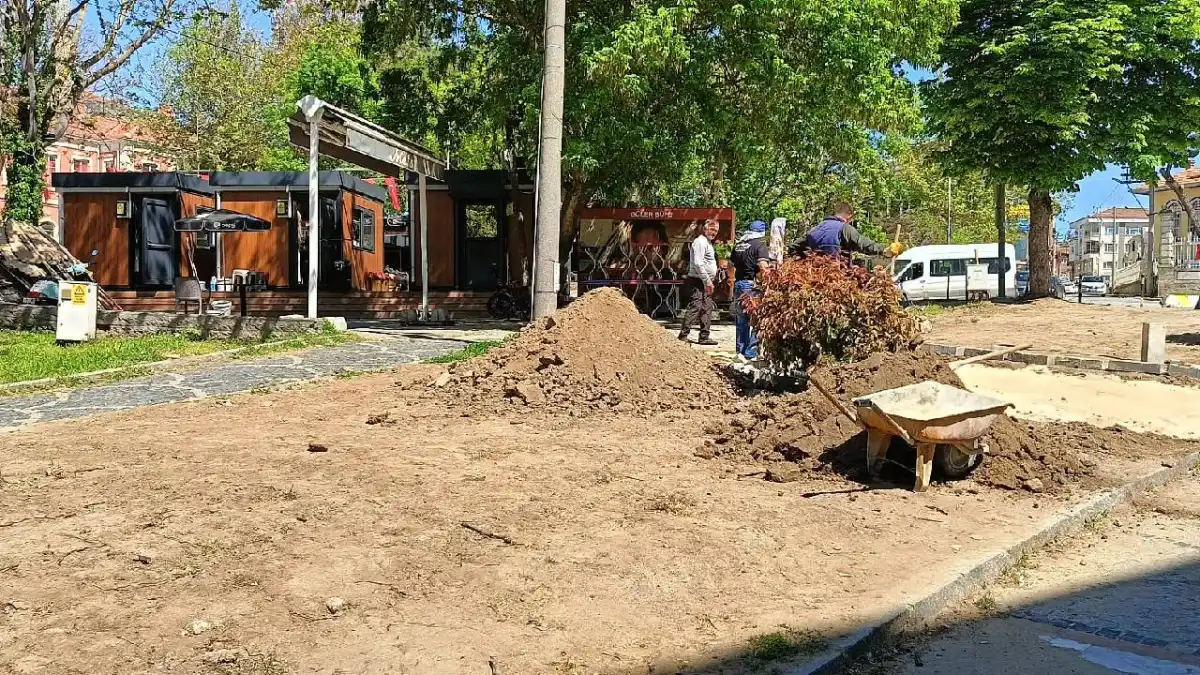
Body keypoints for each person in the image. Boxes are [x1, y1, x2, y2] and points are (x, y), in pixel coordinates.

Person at [731, 219, 771, 359]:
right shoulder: (760, 244)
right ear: (762, 232)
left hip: (738, 284)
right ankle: (751, 352)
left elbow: (732, 264)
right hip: (751, 285)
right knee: (756, 319)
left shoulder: (739, 244)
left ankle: (740, 350)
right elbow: (763, 266)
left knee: (741, 320)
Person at [800, 203, 903, 258]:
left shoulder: (814, 229)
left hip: (814, 279)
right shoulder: (844, 228)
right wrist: (885, 250)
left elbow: (794, 247)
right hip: (838, 279)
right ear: (849, 217)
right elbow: (862, 243)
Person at [678, 219, 720, 346]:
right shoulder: (700, 242)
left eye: (716, 231)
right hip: (698, 280)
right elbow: (698, 263)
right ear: (705, 229)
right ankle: (683, 335)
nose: (714, 233)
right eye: (712, 229)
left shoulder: (708, 243)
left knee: (707, 308)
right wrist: (707, 281)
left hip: (706, 281)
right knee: (695, 306)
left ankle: (704, 336)